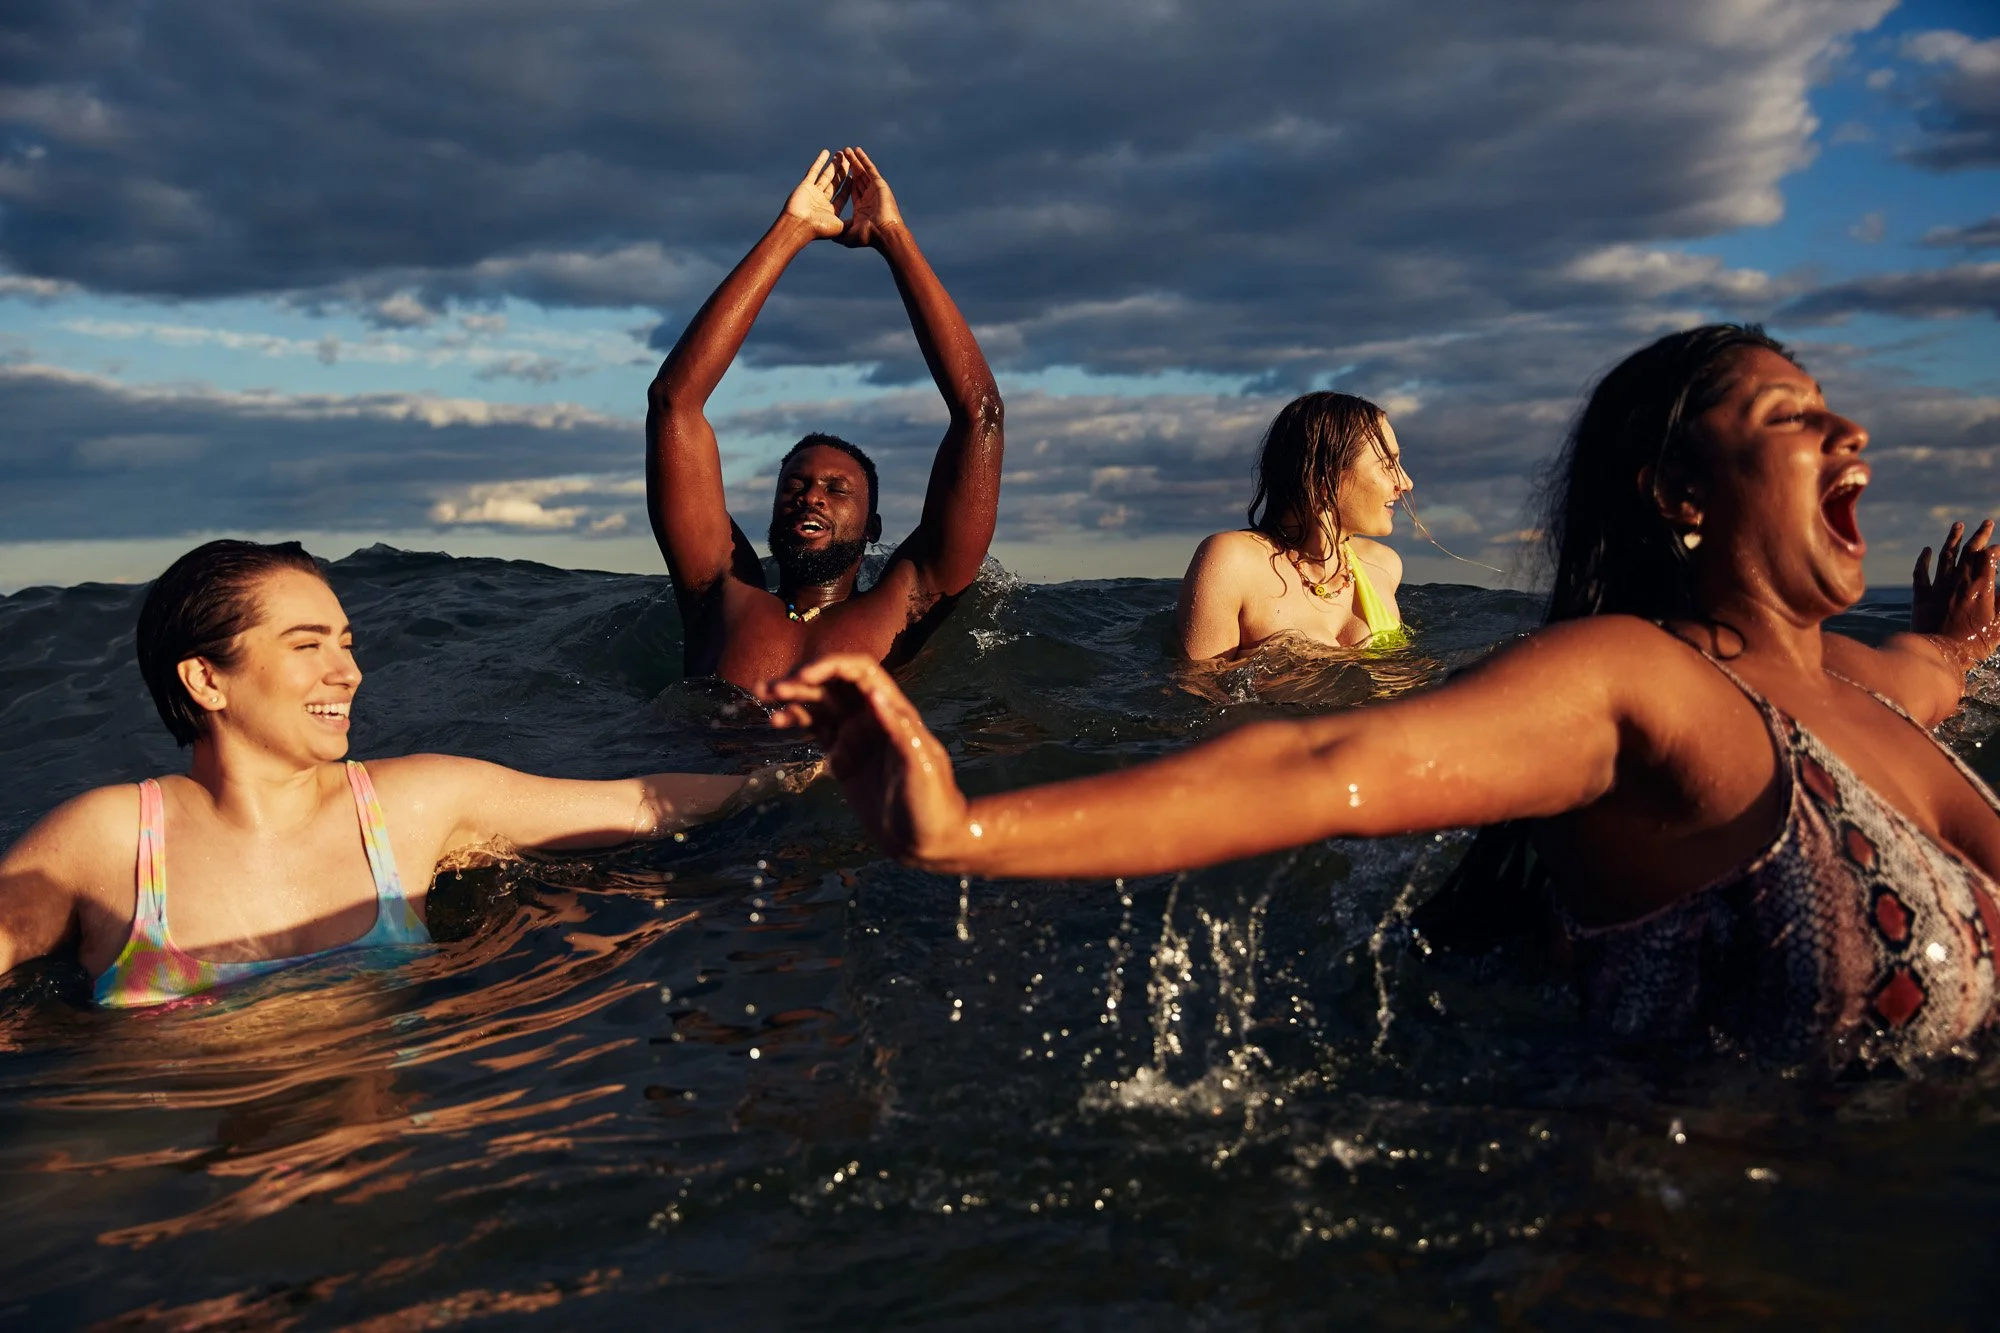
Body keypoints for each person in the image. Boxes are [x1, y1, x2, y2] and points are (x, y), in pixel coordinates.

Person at [765, 325, 2000, 1067]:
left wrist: (1953, 639)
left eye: (1835, 405)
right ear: (1678, 493)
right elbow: (1312, 765)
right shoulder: (1638, 678)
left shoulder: (1870, 687)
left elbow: (1938, 675)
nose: (1849, 433)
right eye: (1793, 416)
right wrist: (965, 828)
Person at [0, 540, 799, 1008]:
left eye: (346, 643)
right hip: (167, 1209)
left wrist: (800, 781)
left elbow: (637, 804)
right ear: (207, 681)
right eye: (308, 644)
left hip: (377, 1173)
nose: (347, 671)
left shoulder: (412, 804)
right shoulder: (109, 841)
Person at [646, 147, 1004, 690]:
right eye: (796, 484)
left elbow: (980, 416)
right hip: (702, 774)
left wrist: (892, 237)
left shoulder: (908, 602)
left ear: (874, 528)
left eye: (837, 490)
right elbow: (675, 403)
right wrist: (793, 229)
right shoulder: (719, 594)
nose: (810, 496)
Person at [1176, 392, 1414, 656]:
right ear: (1326, 478)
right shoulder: (1232, 563)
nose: (1405, 482)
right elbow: (1195, 690)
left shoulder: (1384, 566)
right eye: (1386, 465)